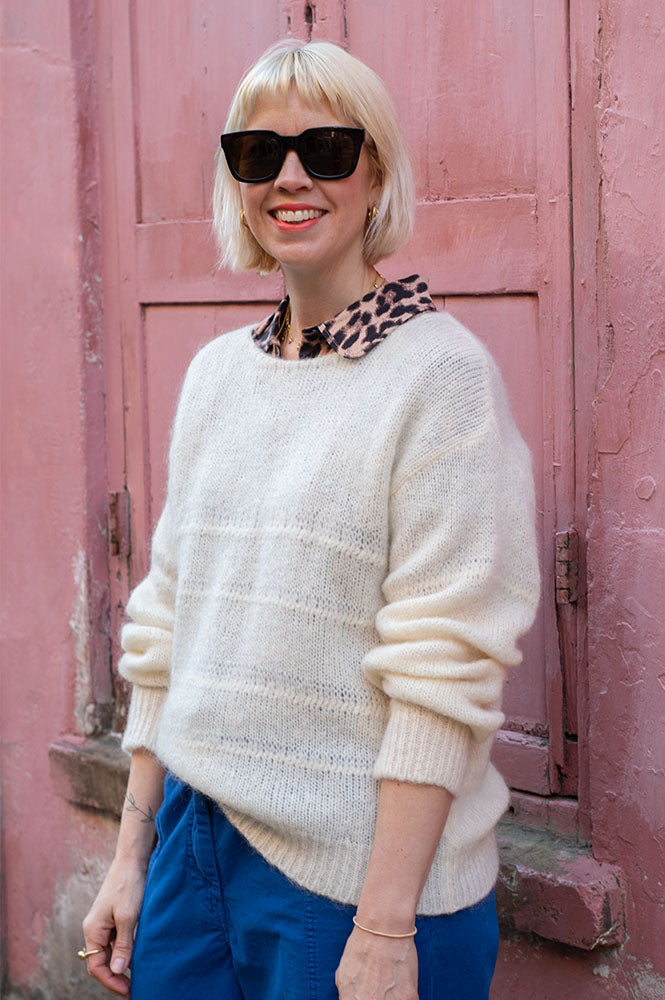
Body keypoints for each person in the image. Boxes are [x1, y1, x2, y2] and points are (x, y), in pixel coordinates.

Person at [81, 38, 540, 1000]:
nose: (290, 178)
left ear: (376, 174)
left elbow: (443, 667)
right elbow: (168, 625)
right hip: (193, 852)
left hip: (355, 887)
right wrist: (132, 856)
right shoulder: (217, 376)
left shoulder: (441, 379)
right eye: (258, 153)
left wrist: (385, 924)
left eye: (326, 149)